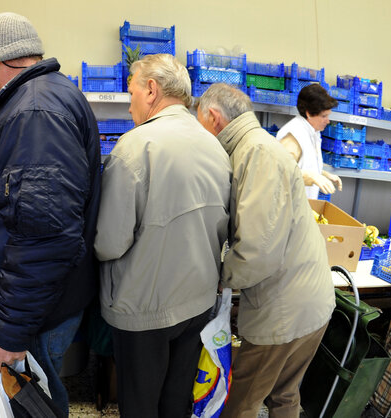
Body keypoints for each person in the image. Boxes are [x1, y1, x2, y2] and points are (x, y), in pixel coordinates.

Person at [0, 12, 101, 415]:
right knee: (41, 398)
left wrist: (9, 329)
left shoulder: (34, 113)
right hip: (42, 300)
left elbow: (44, 236)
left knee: (33, 405)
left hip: (35, 309)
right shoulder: (43, 98)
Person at [93, 54, 231, 417]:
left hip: (145, 307)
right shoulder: (215, 147)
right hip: (197, 301)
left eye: (132, 92)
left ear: (151, 90)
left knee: (140, 404)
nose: (130, 105)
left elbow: (109, 242)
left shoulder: (135, 147)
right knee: (176, 401)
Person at [197, 84, 335, 417]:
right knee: (285, 395)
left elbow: (257, 250)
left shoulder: (255, 153)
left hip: (284, 311)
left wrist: (220, 277)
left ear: (214, 117)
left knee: (242, 403)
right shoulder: (256, 147)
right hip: (308, 304)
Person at [276, 83, 342, 199]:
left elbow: (302, 165)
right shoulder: (293, 136)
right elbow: (280, 173)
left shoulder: (313, 131)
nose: (328, 121)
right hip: (288, 207)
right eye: (323, 116)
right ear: (308, 113)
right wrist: (313, 177)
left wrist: (324, 174)